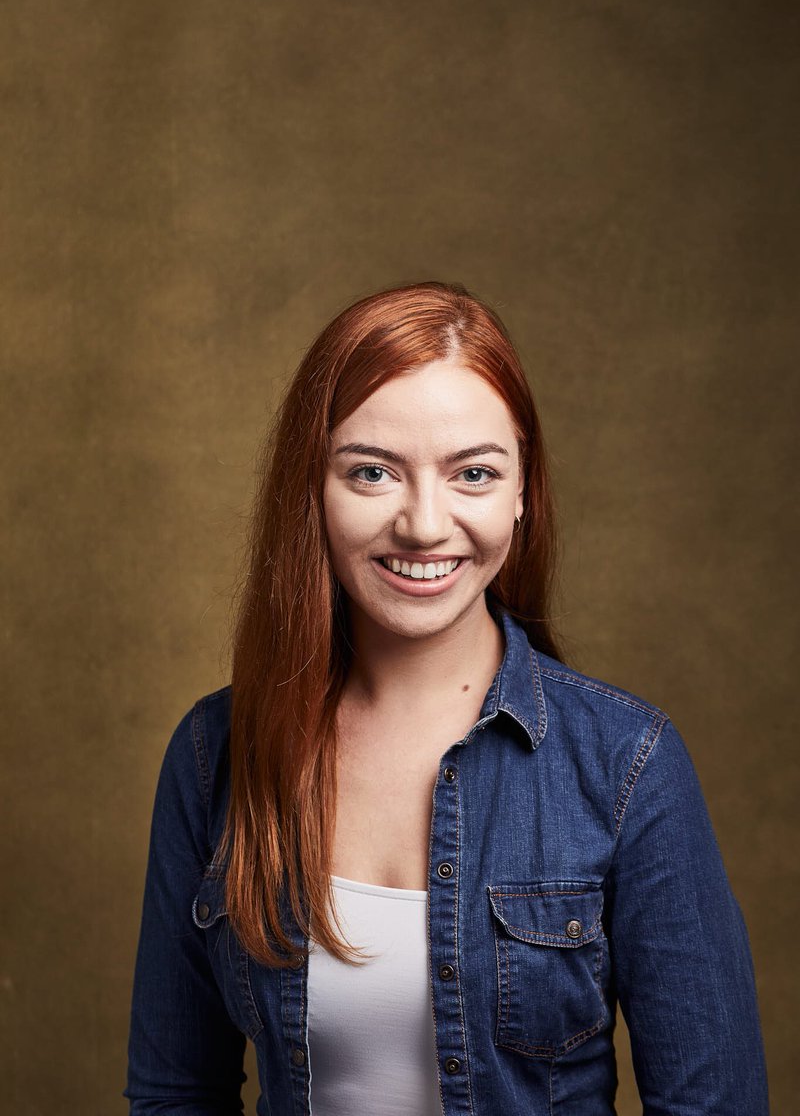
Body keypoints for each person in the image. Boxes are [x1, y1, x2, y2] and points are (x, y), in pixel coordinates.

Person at [124, 281, 769, 1115]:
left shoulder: (626, 763)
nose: (425, 525)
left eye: (473, 472)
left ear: (522, 493)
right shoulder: (215, 755)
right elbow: (176, 1092)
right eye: (371, 472)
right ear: (310, 491)